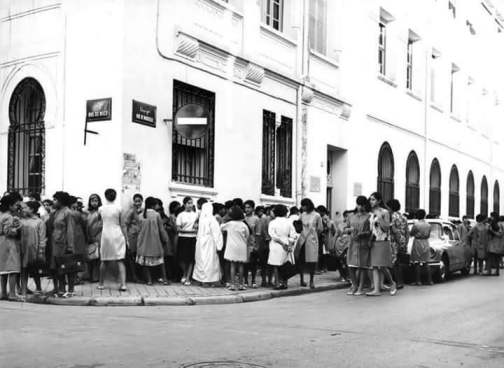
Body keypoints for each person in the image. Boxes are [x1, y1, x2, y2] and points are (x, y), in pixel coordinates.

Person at [367, 192, 397, 296]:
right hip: (374, 241)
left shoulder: (385, 212)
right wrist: (370, 240)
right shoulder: (371, 213)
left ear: (379, 201)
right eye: (370, 199)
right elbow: (373, 230)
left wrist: (379, 218)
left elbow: (386, 228)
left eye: (373, 199)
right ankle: (376, 289)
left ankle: (392, 283)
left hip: (383, 241)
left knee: (382, 266)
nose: (371, 201)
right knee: (375, 266)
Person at [98, 189, 127, 291]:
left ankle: (101, 284)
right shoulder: (119, 208)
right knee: (120, 260)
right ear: (115, 196)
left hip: (105, 235)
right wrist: (126, 239)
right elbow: (123, 225)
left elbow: (100, 222)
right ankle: (123, 285)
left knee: (104, 260)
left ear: (105, 196)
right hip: (117, 234)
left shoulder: (101, 209)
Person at [48, 191, 76, 297]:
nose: (53, 201)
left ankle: (70, 290)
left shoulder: (68, 212)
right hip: (55, 243)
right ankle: (59, 288)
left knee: (67, 267)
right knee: (56, 267)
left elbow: (70, 230)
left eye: (55, 199)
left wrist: (70, 246)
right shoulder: (56, 212)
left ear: (61, 201)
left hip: (64, 243)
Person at [136, 197, 169, 286]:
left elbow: (138, 230)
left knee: (146, 263)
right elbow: (161, 229)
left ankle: (149, 281)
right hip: (155, 242)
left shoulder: (140, 215)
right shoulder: (157, 215)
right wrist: (165, 239)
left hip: (143, 242)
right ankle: (165, 279)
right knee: (161, 262)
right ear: (153, 205)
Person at [19, 201, 47, 298]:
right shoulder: (21, 221)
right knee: (23, 269)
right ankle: (23, 290)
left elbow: (42, 238)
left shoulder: (39, 222)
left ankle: (38, 288)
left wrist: (41, 251)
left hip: (34, 250)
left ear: (32, 209)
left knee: (35, 270)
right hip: (23, 249)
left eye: (26, 207)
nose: (23, 209)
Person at [345, 197, 371, 295]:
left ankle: (360, 287)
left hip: (363, 243)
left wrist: (364, 233)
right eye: (358, 204)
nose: (360, 207)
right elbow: (345, 228)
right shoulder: (351, 216)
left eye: (362, 205)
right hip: (352, 243)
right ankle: (354, 285)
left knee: (362, 266)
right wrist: (348, 230)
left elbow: (371, 231)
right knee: (350, 265)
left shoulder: (369, 217)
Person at [267, 205, 297, 289]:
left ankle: (277, 283)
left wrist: (282, 243)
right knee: (285, 264)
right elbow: (293, 234)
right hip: (287, 243)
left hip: (276, 245)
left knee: (276, 265)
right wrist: (289, 245)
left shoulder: (272, 222)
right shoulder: (289, 222)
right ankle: (285, 283)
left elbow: (273, 235)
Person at [193, 202, 223, 285]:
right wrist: (219, 245)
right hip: (209, 243)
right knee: (210, 261)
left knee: (201, 261)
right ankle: (209, 280)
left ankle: (201, 279)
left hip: (200, 243)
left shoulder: (201, 220)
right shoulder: (212, 220)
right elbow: (217, 233)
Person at [221, 206, 250, 291]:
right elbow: (247, 235)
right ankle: (241, 284)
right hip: (242, 247)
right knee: (241, 265)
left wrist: (224, 219)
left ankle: (232, 284)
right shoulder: (244, 225)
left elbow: (221, 228)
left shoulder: (230, 224)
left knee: (232, 265)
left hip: (232, 247)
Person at [0, 193, 22, 300]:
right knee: (13, 269)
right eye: (15, 205)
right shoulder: (9, 217)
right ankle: (12, 294)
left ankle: (3, 292)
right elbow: (8, 232)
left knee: (3, 270)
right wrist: (17, 228)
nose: (17, 207)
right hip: (9, 243)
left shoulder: (0, 214)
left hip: (1, 243)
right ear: (10, 206)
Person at [297, 198, 323, 289]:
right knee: (301, 260)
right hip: (302, 239)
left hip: (312, 240)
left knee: (312, 261)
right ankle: (301, 279)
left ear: (308, 205)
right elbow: (298, 225)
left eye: (304, 205)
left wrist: (314, 234)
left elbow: (320, 229)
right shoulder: (302, 214)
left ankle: (311, 280)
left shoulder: (317, 215)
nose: (302, 207)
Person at [387, 199, 409, 289]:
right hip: (402, 240)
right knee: (399, 262)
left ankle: (396, 282)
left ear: (391, 207)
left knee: (394, 263)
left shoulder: (392, 217)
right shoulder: (403, 217)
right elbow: (407, 231)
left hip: (394, 241)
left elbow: (393, 230)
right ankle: (400, 281)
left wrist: (397, 241)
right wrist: (405, 242)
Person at [176, 196, 198, 285]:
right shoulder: (181, 215)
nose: (190, 205)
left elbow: (197, 226)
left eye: (191, 203)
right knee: (182, 259)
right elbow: (178, 228)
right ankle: (184, 273)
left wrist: (194, 231)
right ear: (184, 204)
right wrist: (189, 231)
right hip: (183, 238)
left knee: (190, 259)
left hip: (192, 238)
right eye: (188, 203)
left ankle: (188, 277)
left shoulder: (196, 215)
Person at [410, 209, 433, 285]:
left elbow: (411, 233)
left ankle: (418, 281)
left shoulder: (416, 225)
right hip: (426, 242)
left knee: (417, 262)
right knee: (426, 262)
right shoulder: (428, 225)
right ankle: (430, 280)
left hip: (418, 243)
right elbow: (429, 235)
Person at [124, 193, 144, 283]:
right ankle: (134, 276)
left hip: (140, 236)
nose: (137, 203)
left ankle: (137, 276)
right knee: (132, 257)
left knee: (138, 256)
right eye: (136, 201)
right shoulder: (131, 211)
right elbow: (126, 223)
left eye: (139, 201)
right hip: (132, 236)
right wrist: (126, 238)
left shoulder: (143, 211)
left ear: (142, 202)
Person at [155, 199, 175, 283]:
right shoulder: (154, 217)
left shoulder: (166, 218)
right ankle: (160, 276)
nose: (159, 211)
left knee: (166, 259)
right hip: (157, 240)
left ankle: (167, 276)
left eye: (160, 209)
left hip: (165, 241)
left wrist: (166, 226)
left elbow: (171, 228)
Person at [85, 194, 102, 282]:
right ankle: (89, 275)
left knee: (97, 257)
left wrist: (94, 236)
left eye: (96, 201)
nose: (94, 203)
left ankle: (96, 277)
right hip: (89, 236)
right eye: (92, 201)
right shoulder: (87, 212)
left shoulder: (100, 212)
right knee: (89, 256)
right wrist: (89, 236)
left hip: (98, 236)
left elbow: (100, 225)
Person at [244, 200, 260, 288]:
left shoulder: (256, 219)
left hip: (252, 244)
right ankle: (245, 280)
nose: (247, 209)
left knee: (253, 263)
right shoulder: (243, 218)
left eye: (249, 207)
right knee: (245, 264)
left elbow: (258, 234)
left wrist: (257, 246)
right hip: (243, 244)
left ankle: (253, 280)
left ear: (253, 208)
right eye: (245, 207)